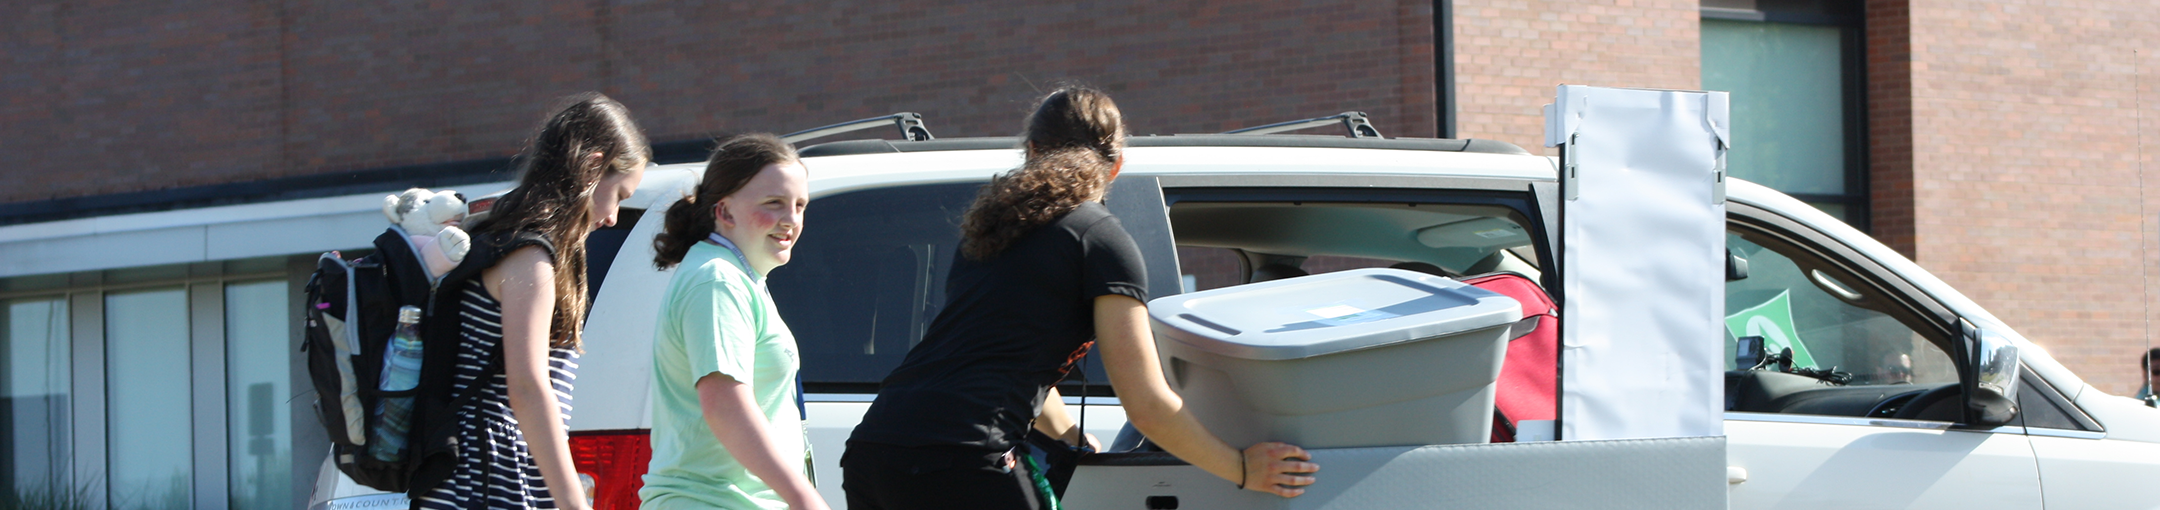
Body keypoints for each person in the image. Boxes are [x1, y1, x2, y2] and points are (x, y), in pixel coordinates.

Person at [841, 86, 1318, 510]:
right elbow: (1146, 403)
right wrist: (1242, 469)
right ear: (1117, 164)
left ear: (1030, 152)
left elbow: (1010, 360)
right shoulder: (1098, 238)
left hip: (875, 448)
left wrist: (1069, 434)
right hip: (963, 458)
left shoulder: (989, 235)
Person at [415, 93, 649, 510]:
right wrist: (573, 502)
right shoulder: (530, 257)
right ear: (593, 166)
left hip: (470, 479)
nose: (613, 216)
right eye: (620, 195)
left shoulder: (502, 237)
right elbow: (527, 387)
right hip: (490, 480)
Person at [640, 134, 827, 510]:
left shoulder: (736, 276)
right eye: (773, 204)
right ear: (724, 212)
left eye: (800, 205)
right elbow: (725, 405)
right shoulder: (717, 280)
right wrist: (804, 498)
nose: (791, 220)